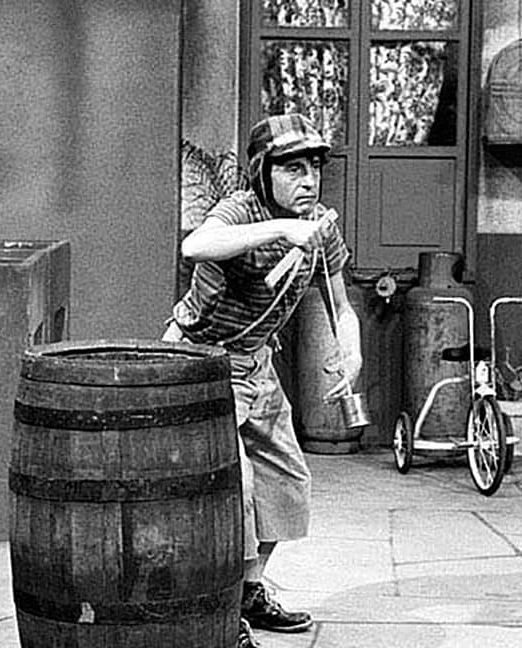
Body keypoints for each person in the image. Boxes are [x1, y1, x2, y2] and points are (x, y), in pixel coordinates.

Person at [163, 113, 363, 648]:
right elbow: (195, 247)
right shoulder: (241, 210)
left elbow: (342, 306)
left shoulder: (320, 228)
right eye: (293, 169)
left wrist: (351, 350)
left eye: (314, 168)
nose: (308, 180)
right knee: (237, 492)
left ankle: (249, 592)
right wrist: (280, 229)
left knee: (286, 481)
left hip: (257, 364)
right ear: (262, 172)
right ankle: (222, 617)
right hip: (204, 363)